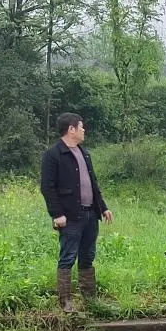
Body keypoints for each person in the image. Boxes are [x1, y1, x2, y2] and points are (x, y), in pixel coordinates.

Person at [40, 112, 113, 313]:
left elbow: (93, 183)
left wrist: (103, 207)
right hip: (70, 216)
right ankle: (65, 301)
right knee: (68, 256)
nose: (83, 130)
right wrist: (57, 214)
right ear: (71, 129)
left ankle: (90, 299)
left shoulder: (84, 153)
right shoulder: (53, 154)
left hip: (90, 214)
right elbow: (47, 187)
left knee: (88, 255)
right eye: (81, 127)